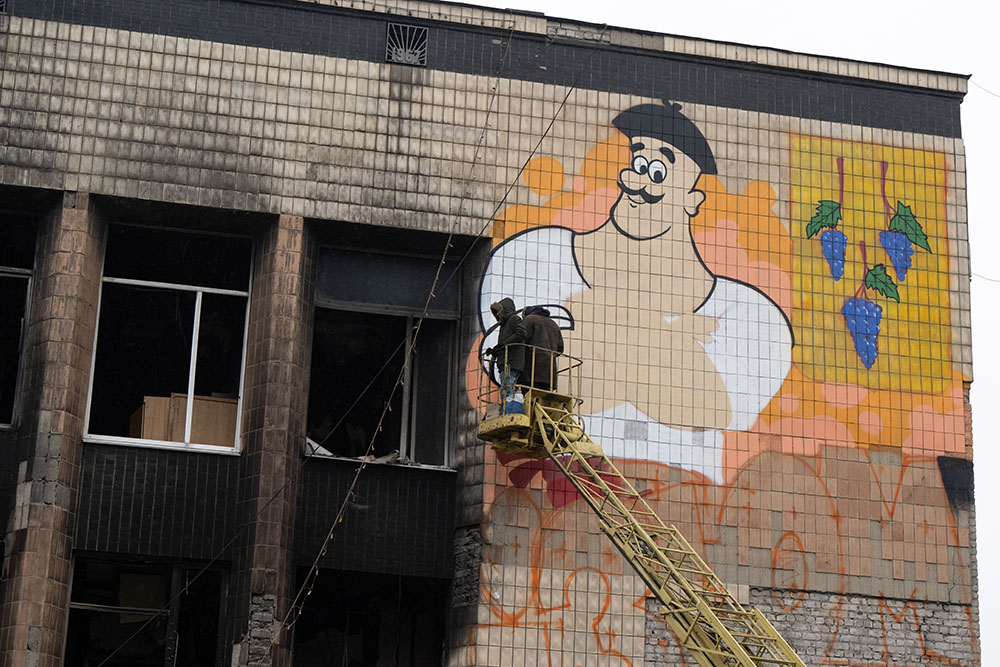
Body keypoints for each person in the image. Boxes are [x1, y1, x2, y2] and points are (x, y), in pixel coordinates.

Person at [478, 101, 792, 481]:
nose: (639, 183)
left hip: (690, 500)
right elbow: (595, 386)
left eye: (658, 172)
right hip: (548, 483)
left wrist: (598, 309)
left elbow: (699, 405)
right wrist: (672, 339)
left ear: (694, 202)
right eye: (638, 165)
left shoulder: (751, 313)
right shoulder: (531, 255)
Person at [488, 297, 526, 410]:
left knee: (507, 391)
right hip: (507, 363)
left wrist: (503, 345)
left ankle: (508, 412)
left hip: (511, 362)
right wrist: (496, 350)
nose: (497, 316)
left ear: (503, 311)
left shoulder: (514, 319)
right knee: (507, 390)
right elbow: (504, 344)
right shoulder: (505, 325)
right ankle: (508, 410)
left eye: (498, 312)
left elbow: (522, 333)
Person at [523, 305, 564, 391]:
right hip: (550, 374)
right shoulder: (554, 324)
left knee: (529, 398)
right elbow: (560, 349)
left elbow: (521, 339)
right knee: (543, 400)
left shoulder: (529, 320)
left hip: (532, 371)